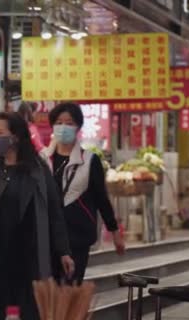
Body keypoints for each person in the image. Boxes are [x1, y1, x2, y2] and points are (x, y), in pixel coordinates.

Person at [0, 112, 74, 320]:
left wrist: (63, 251)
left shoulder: (38, 172)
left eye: (0, 133)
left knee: (27, 310)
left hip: (27, 257)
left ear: (16, 137)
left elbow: (54, 212)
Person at [45, 103, 125, 283]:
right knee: (47, 292)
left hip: (77, 235)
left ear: (78, 127)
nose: (63, 127)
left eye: (69, 123)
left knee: (71, 288)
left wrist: (115, 232)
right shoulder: (43, 159)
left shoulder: (89, 160)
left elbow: (101, 198)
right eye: (59, 122)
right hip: (46, 235)